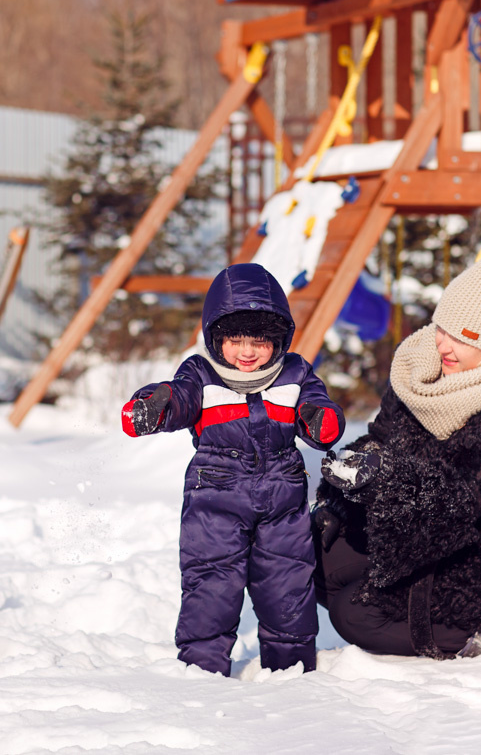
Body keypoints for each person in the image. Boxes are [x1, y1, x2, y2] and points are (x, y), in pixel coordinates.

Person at [312, 257, 481, 659]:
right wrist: (341, 497)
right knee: (310, 554)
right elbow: (382, 437)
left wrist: (380, 479)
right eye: (442, 327)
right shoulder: (420, 372)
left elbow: (456, 500)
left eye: (462, 337)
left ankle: (479, 638)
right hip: (409, 530)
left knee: (354, 614)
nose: (442, 344)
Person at [122, 263, 345, 676]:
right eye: (235, 339)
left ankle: (291, 671)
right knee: (212, 586)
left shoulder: (294, 373)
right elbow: (180, 397)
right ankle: (202, 672)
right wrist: (155, 406)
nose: (247, 351)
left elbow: (317, 407)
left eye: (260, 340)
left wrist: (321, 419)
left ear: (280, 339)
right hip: (215, 499)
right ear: (215, 337)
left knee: (288, 586)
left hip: (283, 499)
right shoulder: (202, 373)